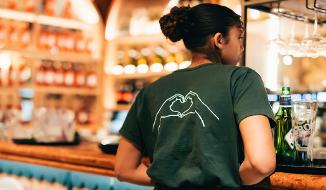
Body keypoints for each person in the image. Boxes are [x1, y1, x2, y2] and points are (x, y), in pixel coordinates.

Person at [115, 3, 276, 189]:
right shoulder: (241, 79)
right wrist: (226, 178)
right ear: (219, 40)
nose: (241, 46)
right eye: (239, 38)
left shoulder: (150, 91)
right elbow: (261, 164)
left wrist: (172, 177)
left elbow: (123, 169)